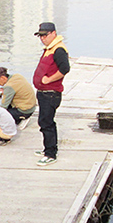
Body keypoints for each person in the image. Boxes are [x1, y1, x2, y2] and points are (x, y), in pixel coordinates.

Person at [32, 22, 71, 167]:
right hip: (43, 93)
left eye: (45, 35)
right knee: (43, 121)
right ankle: (46, 148)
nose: (42, 38)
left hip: (51, 93)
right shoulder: (49, 48)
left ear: (53, 33)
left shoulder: (58, 49)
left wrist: (48, 79)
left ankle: (51, 153)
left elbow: (65, 68)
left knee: (47, 123)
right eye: (40, 36)